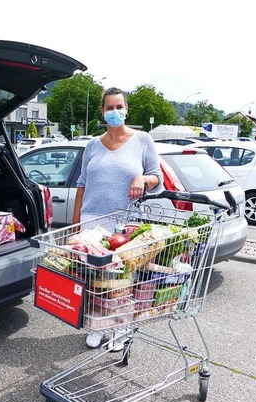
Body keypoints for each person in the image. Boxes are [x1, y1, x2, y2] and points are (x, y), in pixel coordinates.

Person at [73, 87, 163, 351]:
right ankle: (97, 324)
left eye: (118, 107)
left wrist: (141, 178)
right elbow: (81, 183)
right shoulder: (92, 145)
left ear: (127, 109)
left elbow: (156, 178)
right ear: (102, 112)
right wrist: (77, 221)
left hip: (125, 222)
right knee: (94, 279)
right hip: (92, 220)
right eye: (109, 108)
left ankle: (120, 327)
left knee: (121, 280)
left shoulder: (142, 140)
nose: (114, 112)